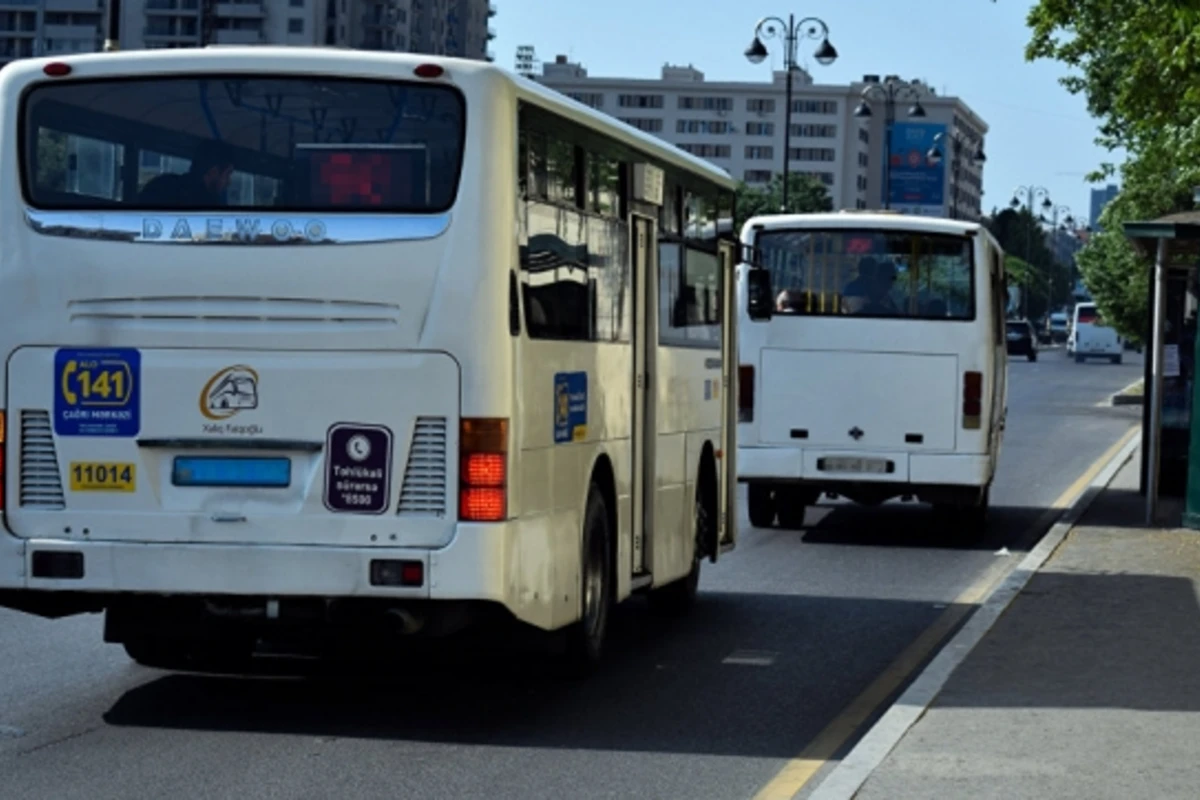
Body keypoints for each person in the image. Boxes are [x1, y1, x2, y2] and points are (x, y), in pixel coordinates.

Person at [137, 140, 235, 208]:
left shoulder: (161, 185)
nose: (228, 182)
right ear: (213, 172)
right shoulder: (210, 206)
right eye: (227, 174)